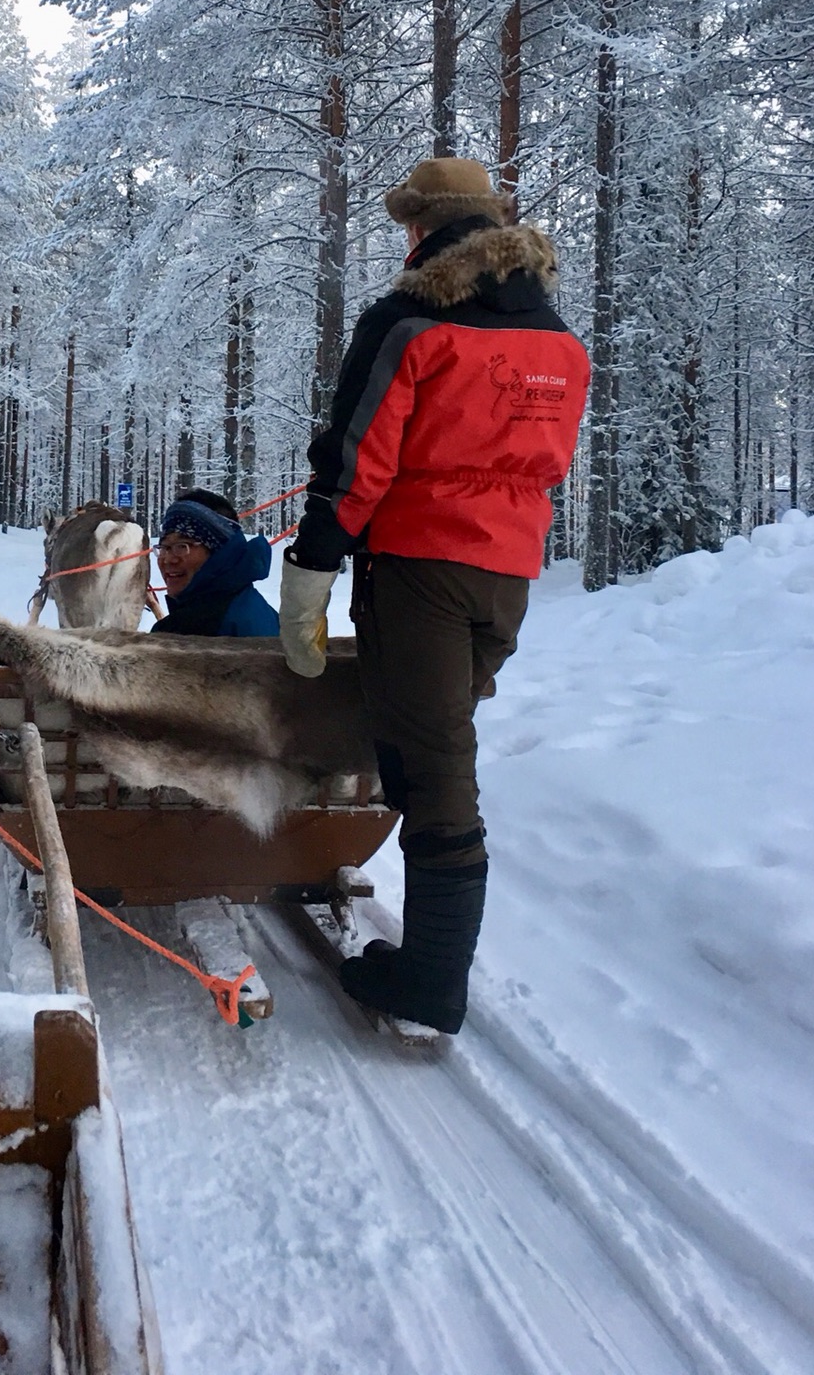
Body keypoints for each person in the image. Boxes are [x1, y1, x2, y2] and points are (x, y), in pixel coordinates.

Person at [278, 157, 589, 1034]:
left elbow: (357, 459)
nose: (405, 240)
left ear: (425, 230)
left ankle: (433, 981)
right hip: (509, 579)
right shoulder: (560, 343)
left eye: (408, 225)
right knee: (432, 745)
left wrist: (313, 567)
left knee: (437, 766)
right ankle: (431, 963)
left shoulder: (411, 322)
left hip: (421, 573)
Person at [152, 489, 280, 638]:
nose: (168, 559)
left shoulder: (203, 627)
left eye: (182, 546)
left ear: (219, 551)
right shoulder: (252, 607)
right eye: (164, 547)